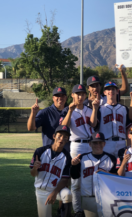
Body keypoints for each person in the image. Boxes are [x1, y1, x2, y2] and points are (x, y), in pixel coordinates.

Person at [60, 84, 98, 217]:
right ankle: (77, 211)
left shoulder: (88, 109)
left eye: (82, 94)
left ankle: (91, 208)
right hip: (77, 145)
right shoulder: (68, 110)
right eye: (77, 94)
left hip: (90, 145)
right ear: (72, 95)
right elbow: (63, 127)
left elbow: (93, 124)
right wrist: (70, 111)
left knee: (91, 177)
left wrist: (94, 109)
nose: (80, 96)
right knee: (76, 181)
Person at [70, 132, 117, 217]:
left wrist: (107, 173)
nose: (98, 145)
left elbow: (117, 177)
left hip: (106, 199)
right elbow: (75, 176)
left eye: (100, 142)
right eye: (95, 142)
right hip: (88, 198)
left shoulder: (111, 158)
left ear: (104, 143)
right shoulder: (82, 158)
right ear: (90, 144)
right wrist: (73, 166)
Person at [29, 125, 72, 217]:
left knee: (68, 194)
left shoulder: (67, 157)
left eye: (65, 137)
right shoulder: (40, 151)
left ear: (67, 140)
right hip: (42, 190)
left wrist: (55, 192)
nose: (62, 139)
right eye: (59, 136)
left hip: (57, 189)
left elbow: (65, 179)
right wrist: (35, 168)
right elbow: (33, 174)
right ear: (54, 136)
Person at [97, 82, 132, 157]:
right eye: (108, 89)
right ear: (104, 92)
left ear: (117, 91)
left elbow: (128, 128)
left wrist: (129, 146)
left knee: (122, 166)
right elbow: (95, 127)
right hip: (106, 143)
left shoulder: (124, 108)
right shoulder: (100, 109)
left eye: (113, 89)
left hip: (121, 142)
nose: (111, 91)